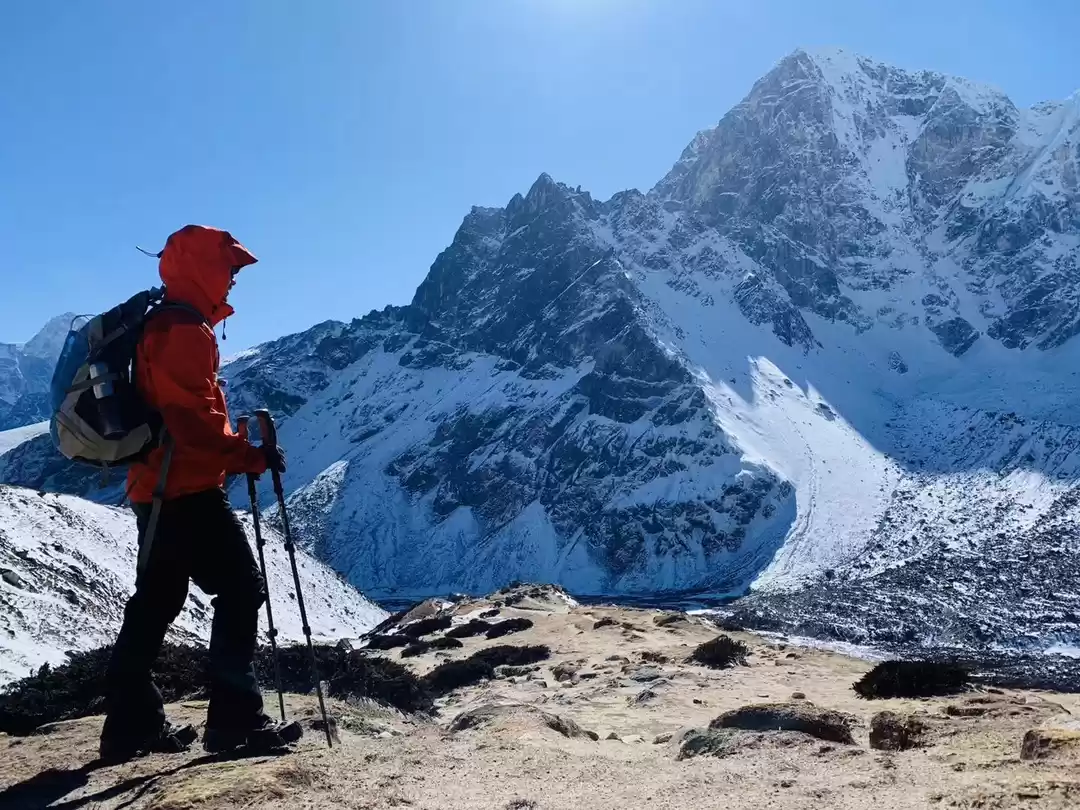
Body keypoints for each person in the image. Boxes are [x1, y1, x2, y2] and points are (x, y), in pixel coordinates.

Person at [99, 224, 301, 762]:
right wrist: (247, 456)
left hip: (155, 489)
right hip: (185, 490)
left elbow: (184, 416)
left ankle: (129, 726)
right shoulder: (186, 330)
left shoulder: (161, 323)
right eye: (229, 269)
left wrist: (231, 452)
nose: (234, 280)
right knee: (240, 592)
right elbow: (193, 423)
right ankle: (235, 723)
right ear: (204, 269)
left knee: (156, 602)